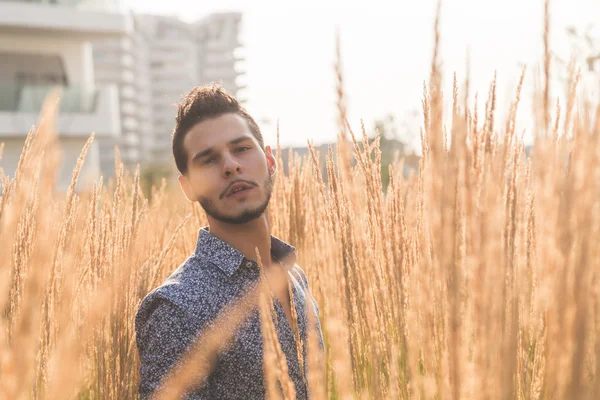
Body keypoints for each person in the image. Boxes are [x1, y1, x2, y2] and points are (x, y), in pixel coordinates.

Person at [135, 84, 324, 399]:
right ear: (188, 188)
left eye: (241, 149)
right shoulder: (178, 307)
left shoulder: (294, 275)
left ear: (269, 161)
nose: (231, 166)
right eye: (208, 160)